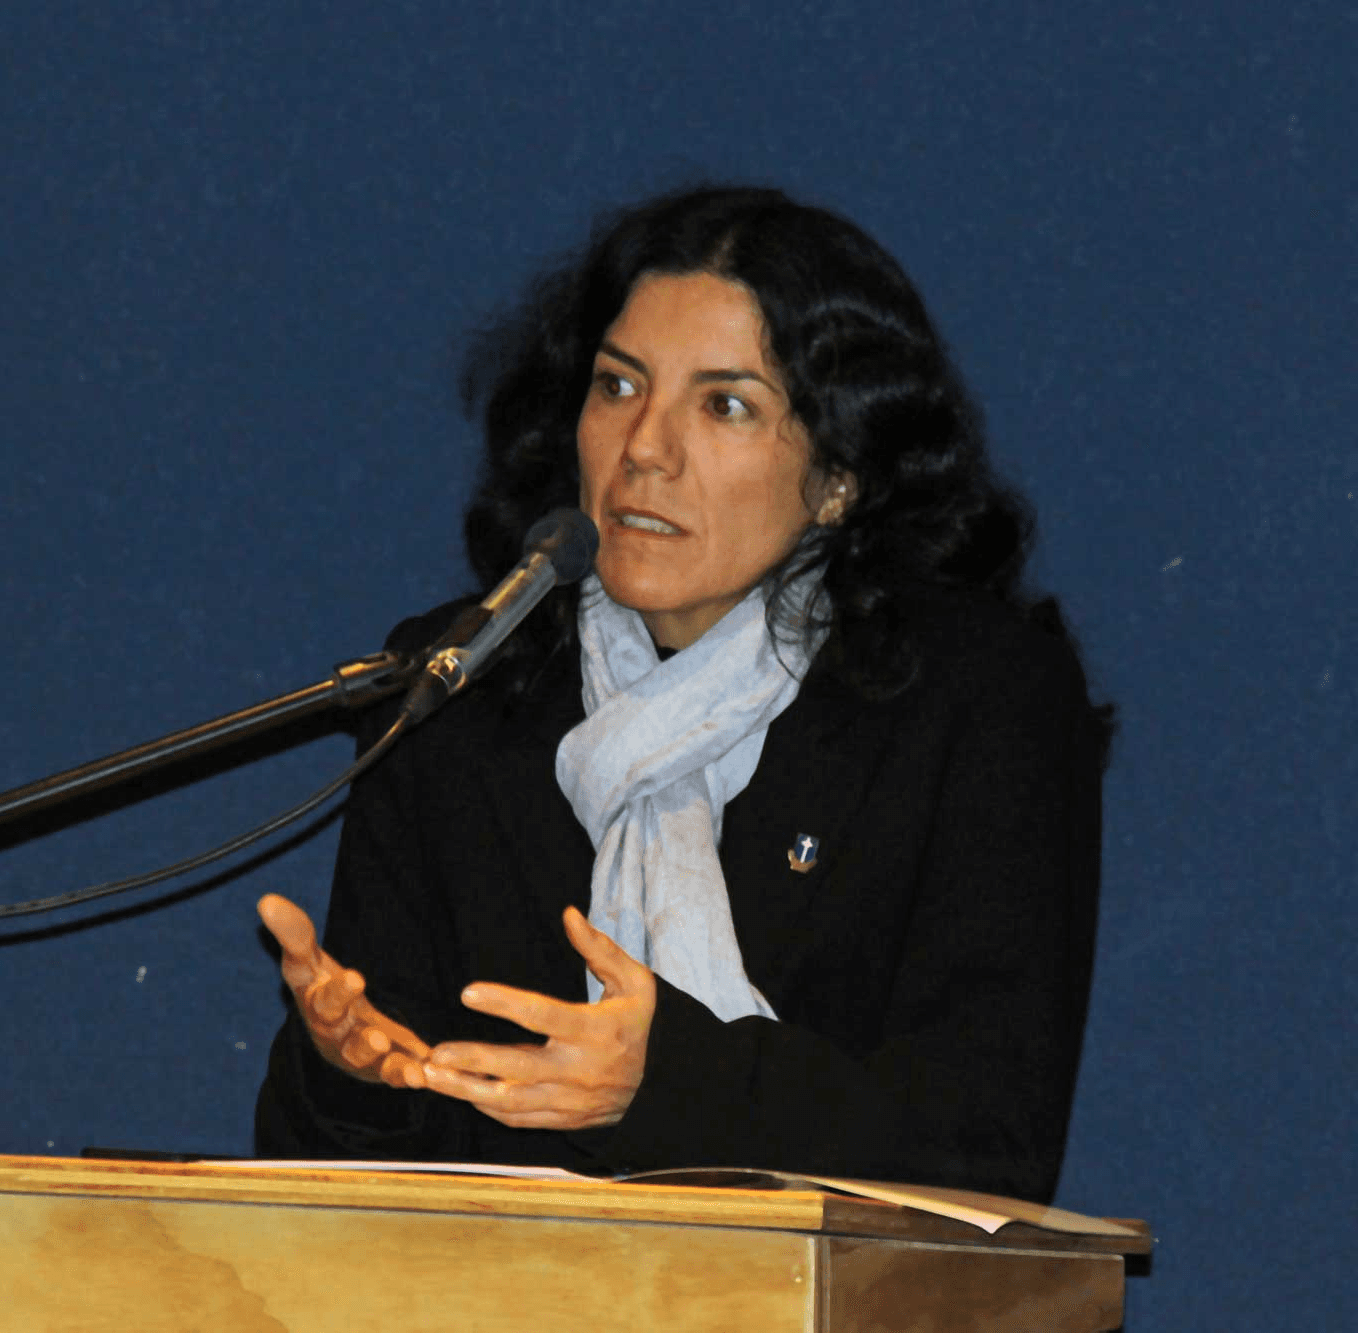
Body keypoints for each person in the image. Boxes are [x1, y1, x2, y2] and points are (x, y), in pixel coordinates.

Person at [254, 185, 1107, 1204]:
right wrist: (352, 1075)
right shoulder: (463, 685)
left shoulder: (972, 703)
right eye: (617, 387)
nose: (644, 449)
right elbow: (344, 1172)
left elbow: (989, 1143)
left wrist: (662, 1082)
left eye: (723, 405)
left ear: (838, 475)